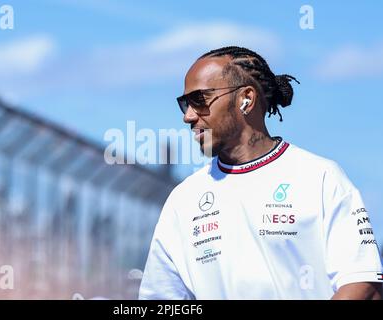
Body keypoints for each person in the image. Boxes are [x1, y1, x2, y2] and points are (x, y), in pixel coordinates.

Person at [138, 46, 383, 299]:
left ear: (246, 99)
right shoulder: (183, 200)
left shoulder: (320, 177)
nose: (188, 116)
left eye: (199, 100)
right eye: (185, 104)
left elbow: (363, 284)